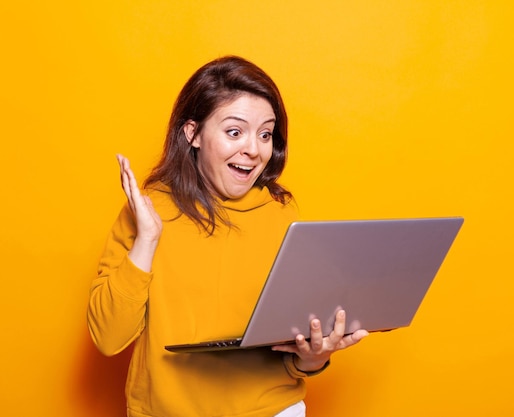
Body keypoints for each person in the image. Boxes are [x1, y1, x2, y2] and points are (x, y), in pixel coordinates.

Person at [87, 55, 368, 417]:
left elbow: (293, 354)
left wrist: (315, 357)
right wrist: (146, 241)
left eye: (265, 134)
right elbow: (108, 338)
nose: (253, 149)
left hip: (272, 409)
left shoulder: (282, 213)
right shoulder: (146, 212)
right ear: (194, 134)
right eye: (235, 132)